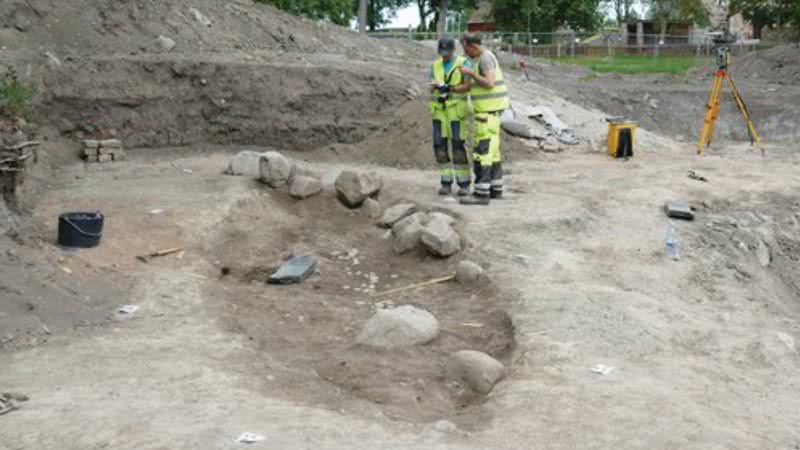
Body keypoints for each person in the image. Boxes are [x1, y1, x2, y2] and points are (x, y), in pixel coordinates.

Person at [458, 34, 510, 205]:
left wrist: (471, 73)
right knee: (493, 153)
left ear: (473, 46)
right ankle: (496, 188)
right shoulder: (477, 60)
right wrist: (449, 88)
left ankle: (481, 193)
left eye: (465, 49)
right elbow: (469, 87)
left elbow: (489, 83)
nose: (464, 53)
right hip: (491, 114)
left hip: (487, 114)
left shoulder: (485, 58)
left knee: (483, 153)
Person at [429, 38, 471, 196]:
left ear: (454, 50)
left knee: (458, 147)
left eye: (447, 53)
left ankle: (464, 184)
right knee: (439, 147)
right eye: (442, 53)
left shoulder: (463, 63)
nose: (444, 56)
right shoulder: (435, 65)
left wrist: (450, 88)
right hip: (439, 112)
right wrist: (434, 87)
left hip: (456, 113)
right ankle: (446, 182)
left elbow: (468, 86)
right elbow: (430, 89)